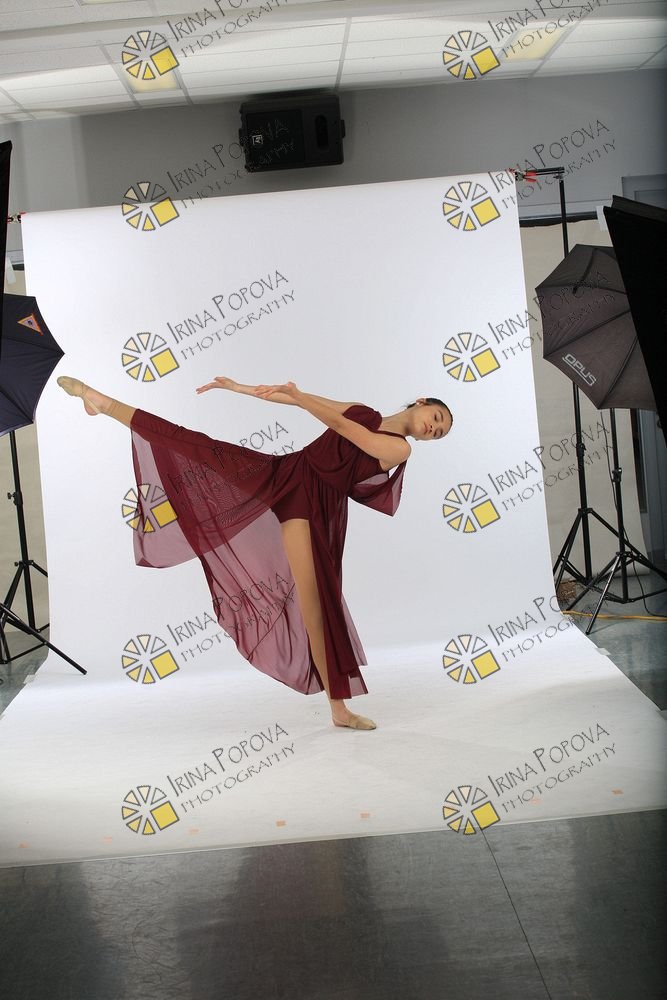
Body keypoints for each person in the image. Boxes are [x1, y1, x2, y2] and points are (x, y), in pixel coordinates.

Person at [57, 375, 453, 731]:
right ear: (421, 402)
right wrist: (240, 389)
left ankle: (339, 708)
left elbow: (342, 427)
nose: (432, 428)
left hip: (314, 507)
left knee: (315, 608)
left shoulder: (399, 449)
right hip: (285, 473)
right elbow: (300, 398)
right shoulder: (364, 410)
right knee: (200, 447)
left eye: (437, 433)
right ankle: (103, 402)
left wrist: (300, 396)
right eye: (436, 418)